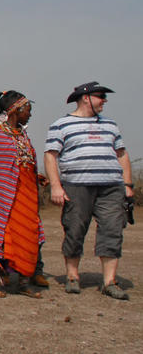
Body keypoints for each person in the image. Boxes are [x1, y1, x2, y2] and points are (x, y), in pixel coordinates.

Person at [44, 81, 133, 300]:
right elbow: (50, 156)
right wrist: (56, 185)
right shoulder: (61, 125)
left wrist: (128, 185)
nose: (104, 100)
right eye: (101, 96)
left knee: (112, 230)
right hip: (77, 184)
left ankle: (109, 281)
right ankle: (73, 277)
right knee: (75, 229)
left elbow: (121, 154)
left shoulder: (111, 125)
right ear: (86, 98)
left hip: (111, 185)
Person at [0, 91, 46, 299]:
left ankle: (23, 282)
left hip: (26, 196)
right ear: (16, 110)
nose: (30, 114)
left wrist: (36, 176)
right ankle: (1, 283)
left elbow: (23, 162)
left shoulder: (22, 134)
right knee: (4, 238)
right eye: (28, 110)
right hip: (5, 198)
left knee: (28, 235)